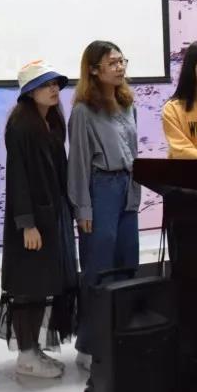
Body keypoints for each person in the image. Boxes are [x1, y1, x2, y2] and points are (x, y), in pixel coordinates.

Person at [0, 60, 78, 379]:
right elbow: (18, 178)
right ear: (29, 92)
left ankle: (34, 349)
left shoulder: (51, 123)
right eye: (45, 85)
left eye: (55, 84)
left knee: (46, 285)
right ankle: (26, 355)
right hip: (32, 222)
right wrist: (27, 224)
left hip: (54, 216)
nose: (53, 89)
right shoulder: (21, 126)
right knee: (29, 286)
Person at [67, 41, 141, 370]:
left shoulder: (128, 104)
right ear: (94, 70)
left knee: (128, 263)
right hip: (100, 189)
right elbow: (78, 164)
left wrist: (135, 192)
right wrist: (83, 208)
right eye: (112, 63)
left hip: (127, 185)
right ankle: (88, 346)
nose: (120, 67)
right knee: (98, 270)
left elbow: (134, 153)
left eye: (122, 61)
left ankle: (121, 338)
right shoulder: (83, 111)